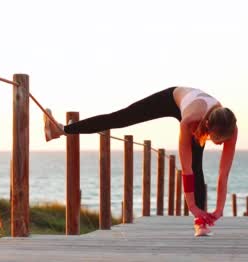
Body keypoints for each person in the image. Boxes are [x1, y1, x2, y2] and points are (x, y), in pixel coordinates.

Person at [43, 86, 238, 237]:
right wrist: (192, 206)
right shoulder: (190, 121)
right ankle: (60, 129)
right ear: (207, 128)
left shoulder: (230, 128)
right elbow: (186, 169)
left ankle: (201, 224)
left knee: (199, 164)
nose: (220, 145)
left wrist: (220, 209)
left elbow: (224, 173)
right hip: (173, 98)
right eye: (216, 141)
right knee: (121, 117)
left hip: (202, 115)